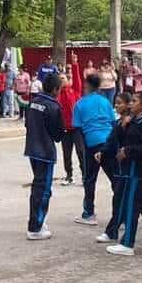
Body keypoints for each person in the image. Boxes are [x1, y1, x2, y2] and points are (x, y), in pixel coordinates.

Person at [96, 92, 142, 256]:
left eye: (134, 101)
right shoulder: (133, 122)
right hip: (137, 170)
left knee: (132, 205)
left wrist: (128, 151)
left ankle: (127, 243)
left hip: (140, 171)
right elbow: (121, 138)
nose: (130, 104)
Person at [72, 74, 117, 225]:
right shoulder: (105, 102)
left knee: (89, 179)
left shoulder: (80, 104)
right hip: (109, 142)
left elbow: (77, 129)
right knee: (115, 179)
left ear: (87, 86)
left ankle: (89, 213)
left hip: (91, 144)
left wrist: (81, 149)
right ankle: (121, 213)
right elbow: (113, 122)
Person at [24, 74, 64, 240]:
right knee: (43, 189)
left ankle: (38, 222)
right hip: (45, 153)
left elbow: (27, 124)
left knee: (37, 186)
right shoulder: (54, 107)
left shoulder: (33, 103)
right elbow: (58, 135)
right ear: (55, 90)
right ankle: (36, 227)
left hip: (32, 150)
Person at [95, 92, 132, 244]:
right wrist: (102, 152)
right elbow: (111, 141)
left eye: (119, 103)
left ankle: (112, 231)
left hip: (133, 168)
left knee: (122, 198)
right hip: (121, 168)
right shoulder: (117, 123)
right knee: (135, 200)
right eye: (115, 103)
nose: (116, 106)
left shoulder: (134, 123)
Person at [58, 54, 83, 186]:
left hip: (77, 129)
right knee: (66, 155)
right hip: (65, 130)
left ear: (68, 80)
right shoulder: (58, 96)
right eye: (59, 79)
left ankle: (85, 176)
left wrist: (74, 63)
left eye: (63, 78)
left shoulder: (75, 91)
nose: (61, 80)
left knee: (81, 152)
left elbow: (77, 79)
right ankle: (69, 175)